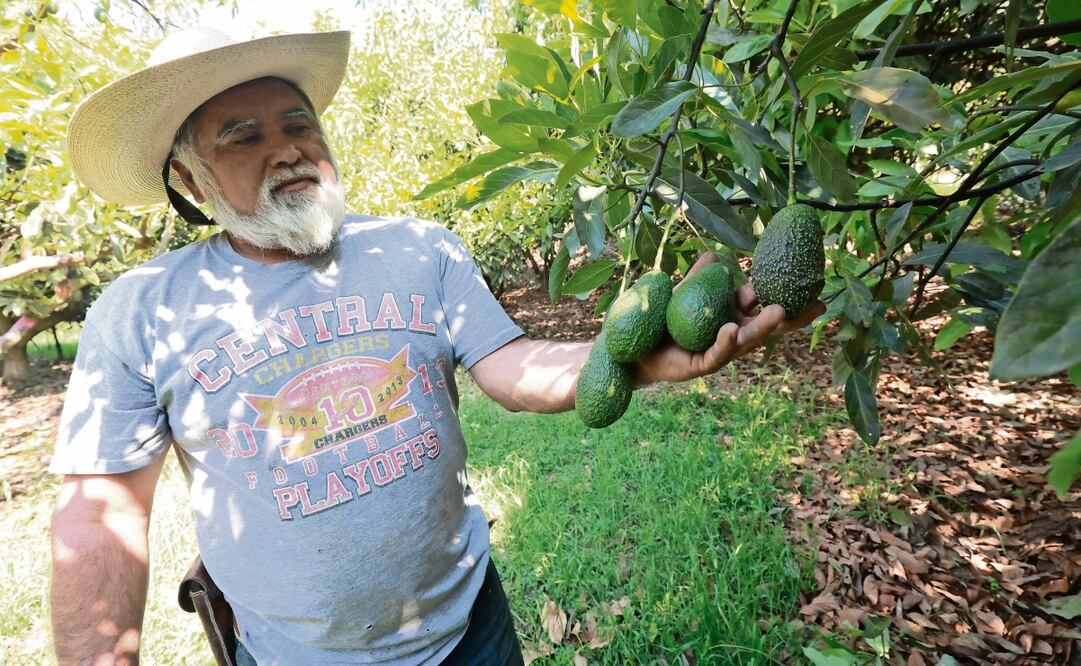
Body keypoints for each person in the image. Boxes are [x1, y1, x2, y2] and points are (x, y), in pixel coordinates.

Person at [50, 27, 822, 666]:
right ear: (189, 178)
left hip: (469, 630)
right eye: (244, 137)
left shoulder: (420, 249)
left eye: (299, 125)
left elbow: (509, 367)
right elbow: (99, 518)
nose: (286, 150)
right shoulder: (140, 311)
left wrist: (633, 360)